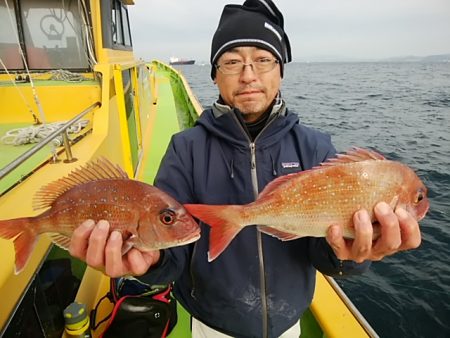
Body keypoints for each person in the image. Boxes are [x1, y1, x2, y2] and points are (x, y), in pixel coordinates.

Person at [70, 1, 422, 337]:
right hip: (211, 324)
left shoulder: (315, 147)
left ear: (280, 70)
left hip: (289, 324)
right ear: (214, 76)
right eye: (232, 62)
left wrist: (353, 254)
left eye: (263, 60)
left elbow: (322, 253)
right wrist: (150, 261)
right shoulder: (186, 148)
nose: (248, 75)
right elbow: (172, 255)